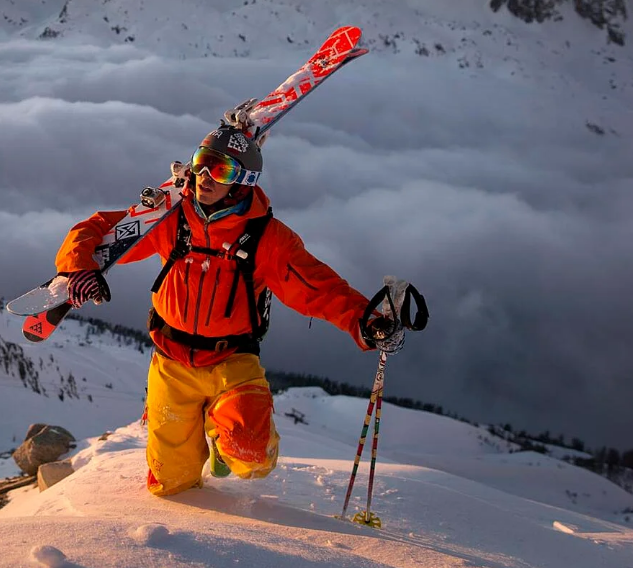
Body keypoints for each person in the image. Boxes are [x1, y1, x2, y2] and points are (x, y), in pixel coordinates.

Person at [53, 120, 413, 497]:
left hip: (232, 361)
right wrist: (79, 267)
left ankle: (228, 438)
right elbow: (95, 228)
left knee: (250, 456)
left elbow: (317, 288)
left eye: (221, 169)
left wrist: (366, 321)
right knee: (170, 485)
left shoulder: (267, 239)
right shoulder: (168, 219)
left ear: (243, 182)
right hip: (171, 362)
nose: (205, 177)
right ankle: (208, 435)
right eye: (201, 163)